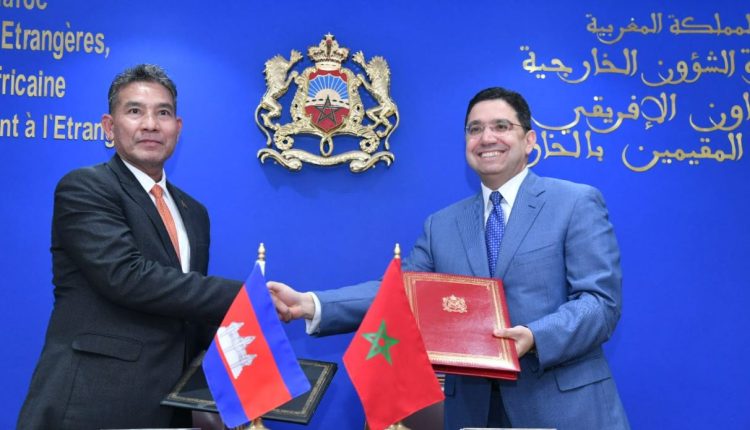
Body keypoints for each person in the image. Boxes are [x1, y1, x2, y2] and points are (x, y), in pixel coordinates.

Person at [269, 87, 630, 430]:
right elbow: (397, 293)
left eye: (501, 126)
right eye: (475, 129)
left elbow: (600, 304)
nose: (487, 138)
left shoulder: (575, 203)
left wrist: (535, 336)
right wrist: (310, 304)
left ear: (529, 140)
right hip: (472, 410)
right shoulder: (442, 225)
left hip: (563, 408)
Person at [17, 64, 243, 430]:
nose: (151, 124)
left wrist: (245, 349)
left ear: (178, 128)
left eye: (163, 113)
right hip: (93, 404)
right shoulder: (85, 187)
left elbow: (190, 310)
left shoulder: (194, 212)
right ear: (109, 126)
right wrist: (246, 297)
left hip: (173, 408)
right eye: (135, 111)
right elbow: (128, 277)